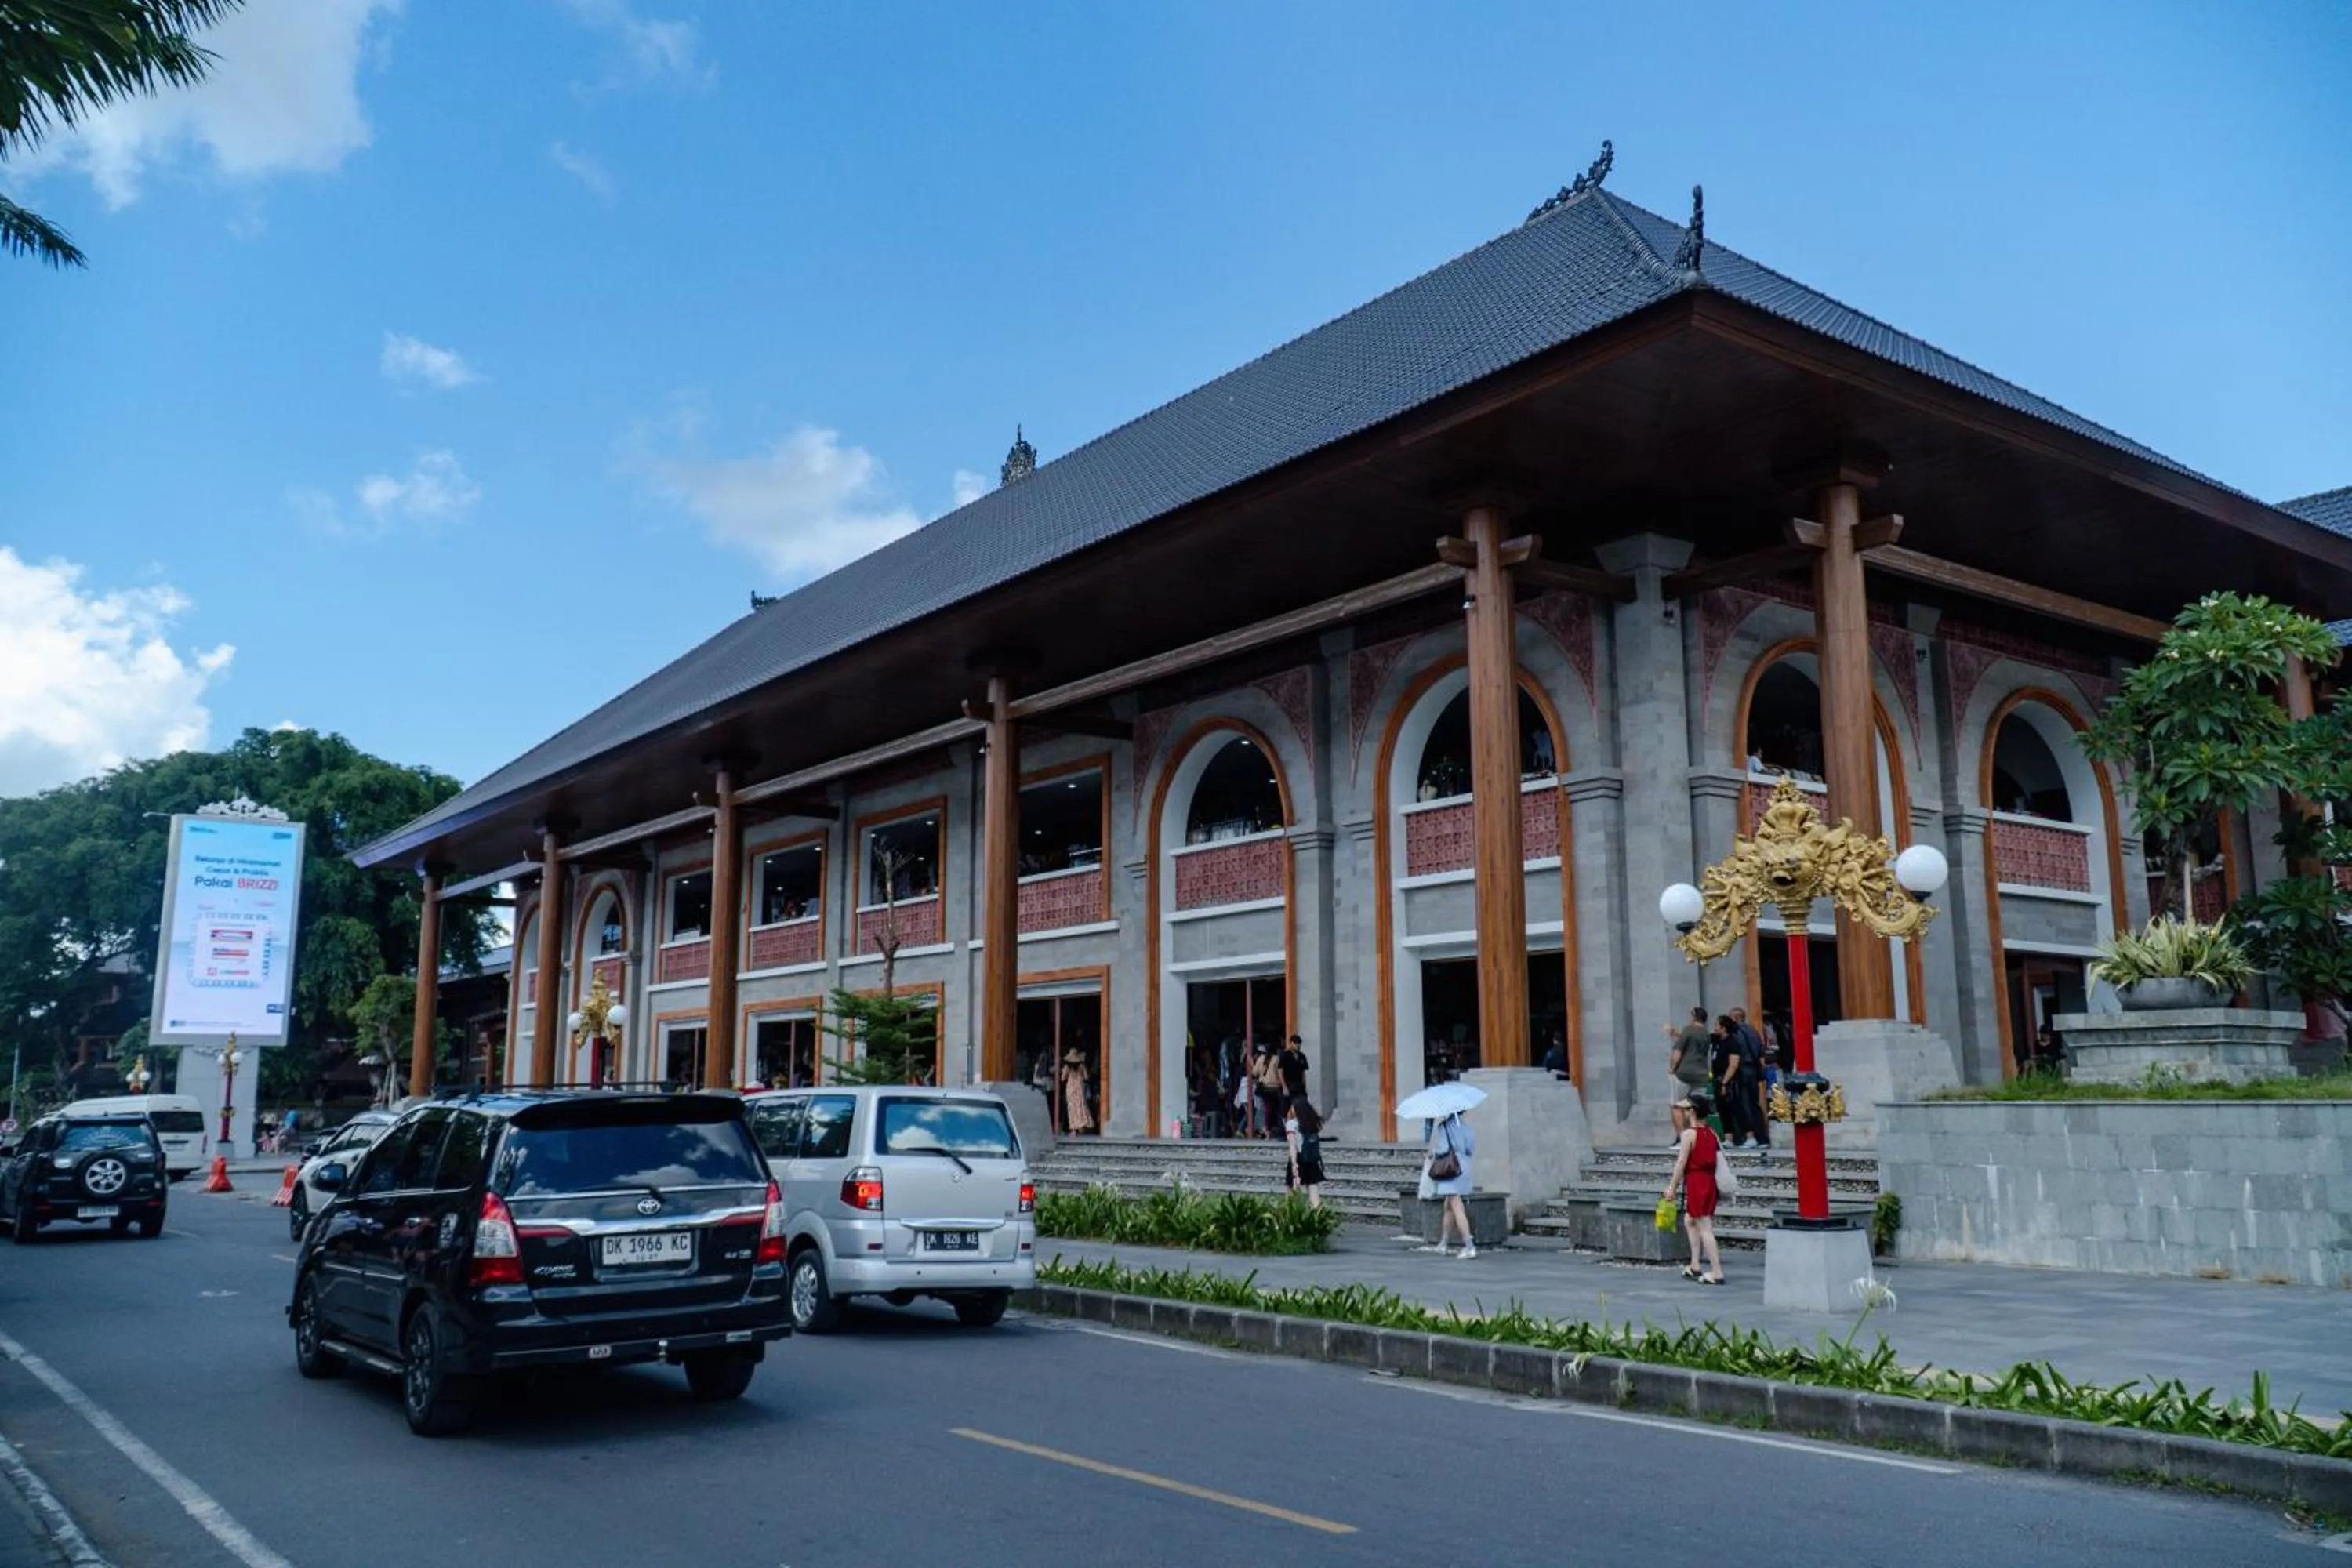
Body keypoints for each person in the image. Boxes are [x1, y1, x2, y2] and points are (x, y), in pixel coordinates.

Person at [1664, 1096, 1724, 1284]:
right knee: (1690, 1220)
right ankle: (1695, 1264)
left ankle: (1716, 1271)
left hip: (1697, 1182)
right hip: (1709, 1181)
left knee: (1704, 1226)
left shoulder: (1689, 1135)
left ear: (1692, 1111)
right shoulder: (1711, 1133)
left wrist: (1672, 1187)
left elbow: (1681, 1163)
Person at [1417, 1110, 1478, 1259]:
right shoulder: (1468, 1128)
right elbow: (1470, 1150)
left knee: (1456, 1205)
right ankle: (1443, 1243)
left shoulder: (1444, 1127)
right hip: (1463, 1167)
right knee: (1449, 1206)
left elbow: (1443, 1149)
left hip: (1450, 1168)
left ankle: (1469, 1246)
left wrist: (1433, 1154)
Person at [1711, 1015, 1756, 1148]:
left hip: (1730, 1080)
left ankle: (1750, 1136)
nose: (1715, 1027)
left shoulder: (1733, 1042)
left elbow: (1733, 1064)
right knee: (1723, 1109)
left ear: (1724, 1028)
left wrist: (1725, 1082)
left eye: (1717, 1025)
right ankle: (1728, 1138)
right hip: (1718, 1078)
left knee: (1737, 1108)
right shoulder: (1717, 1041)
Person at [1730, 1007, 1772, 1151]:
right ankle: (1761, 1137)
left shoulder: (1737, 1033)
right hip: (1754, 1070)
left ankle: (1751, 1136)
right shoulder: (1753, 1031)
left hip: (1742, 1070)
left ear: (1735, 1018)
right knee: (1754, 1104)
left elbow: (1737, 1052)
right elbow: (1760, 1051)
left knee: (1744, 1104)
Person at [1284, 1098, 1326, 1208]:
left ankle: (1289, 1218)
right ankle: (1318, 1217)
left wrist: (1294, 1165)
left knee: (1291, 1191)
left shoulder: (1291, 1124)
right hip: (1311, 1158)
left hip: (1298, 1158)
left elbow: (1293, 1146)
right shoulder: (1312, 1122)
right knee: (1313, 1190)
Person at [1668, 1007, 1711, 1099]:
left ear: (1694, 1017)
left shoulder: (1688, 1030)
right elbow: (1693, 1044)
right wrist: (1675, 1034)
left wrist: (1672, 1068)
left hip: (1685, 1073)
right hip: (1702, 1075)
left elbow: (1677, 1051)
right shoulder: (1707, 1034)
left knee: (1678, 1106)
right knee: (1698, 1105)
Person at [1058, 1048, 1095, 1135]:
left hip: (1071, 1089)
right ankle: (1081, 1127)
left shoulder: (1067, 1067)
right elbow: (1086, 1078)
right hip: (1079, 1088)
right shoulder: (1082, 1066)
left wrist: (1063, 1071)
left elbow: (1063, 1078)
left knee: (1072, 1109)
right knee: (1080, 1107)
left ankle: (1074, 1129)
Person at [1277, 1033, 1310, 1116]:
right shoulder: (1285, 1055)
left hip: (1299, 1086)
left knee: (1301, 1108)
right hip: (1288, 1085)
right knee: (1285, 1109)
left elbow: (1303, 1073)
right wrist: (1284, 1087)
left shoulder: (1302, 1056)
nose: (1298, 1046)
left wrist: (1304, 1087)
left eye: (1299, 1044)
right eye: (1296, 1044)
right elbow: (1280, 1071)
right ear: (1291, 1043)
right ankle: (1284, 1126)